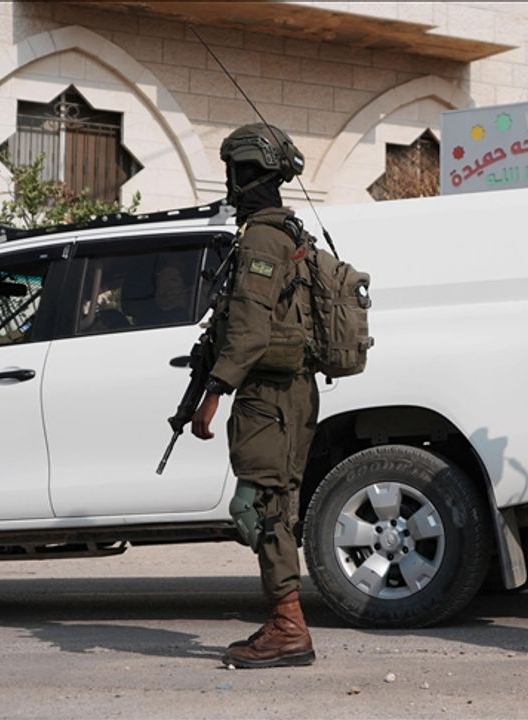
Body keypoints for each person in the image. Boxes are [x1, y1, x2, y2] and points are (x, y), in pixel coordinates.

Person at [189, 123, 320, 668]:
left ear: (247, 174)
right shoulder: (285, 232)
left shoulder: (263, 239)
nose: (229, 182)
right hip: (287, 393)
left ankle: (288, 626)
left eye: (233, 172)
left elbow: (249, 330)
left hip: (269, 396)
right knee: (273, 507)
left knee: (260, 509)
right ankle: (286, 621)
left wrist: (213, 393)